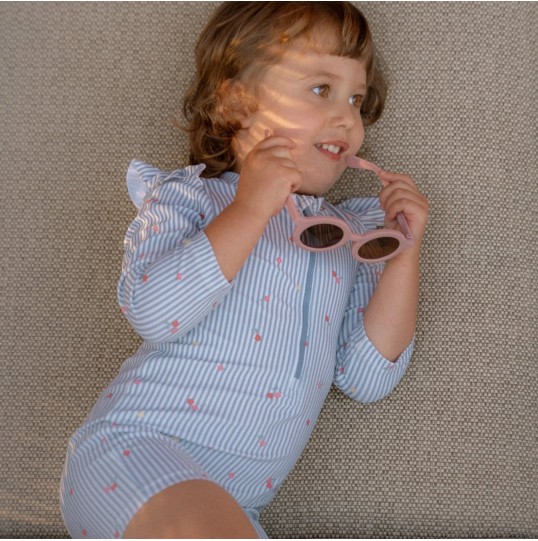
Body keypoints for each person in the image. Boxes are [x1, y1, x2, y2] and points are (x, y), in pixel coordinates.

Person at [60, 2, 429, 538]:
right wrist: (251, 208)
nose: (348, 120)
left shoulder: (348, 233)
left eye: (356, 98)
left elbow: (367, 378)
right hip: (131, 455)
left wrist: (404, 255)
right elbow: (153, 312)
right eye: (321, 89)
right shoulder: (193, 197)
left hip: (237, 505)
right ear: (237, 102)